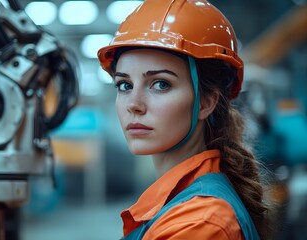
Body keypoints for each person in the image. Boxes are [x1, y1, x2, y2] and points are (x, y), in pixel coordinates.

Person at [98, 0, 271, 239]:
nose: (133, 105)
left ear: (206, 102)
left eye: (161, 84)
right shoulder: (183, 202)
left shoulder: (200, 223)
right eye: (124, 85)